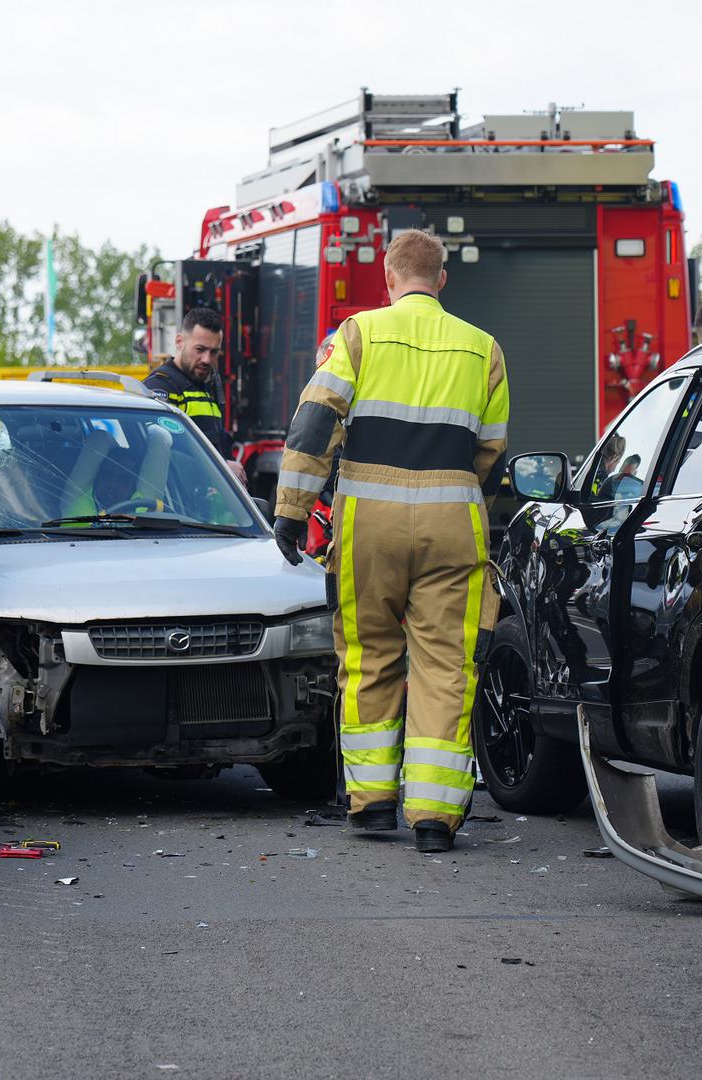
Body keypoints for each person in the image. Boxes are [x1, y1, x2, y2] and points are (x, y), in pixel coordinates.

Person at [271, 228, 508, 853]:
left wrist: (292, 513)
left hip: (366, 522)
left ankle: (372, 804)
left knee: (370, 653)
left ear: (388, 276)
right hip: (451, 523)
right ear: (442, 280)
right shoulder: (483, 349)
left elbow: (314, 424)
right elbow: (491, 450)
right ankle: (434, 818)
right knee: (446, 667)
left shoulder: (357, 334)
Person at [144, 307, 247, 483]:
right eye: (200, 349)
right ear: (179, 342)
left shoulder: (208, 387)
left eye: (214, 352)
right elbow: (164, 454)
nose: (207, 359)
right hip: (172, 506)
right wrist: (221, 468)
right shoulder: (160, 386)